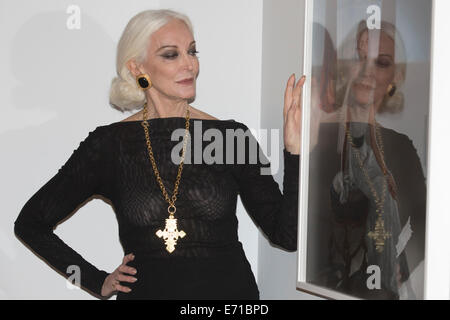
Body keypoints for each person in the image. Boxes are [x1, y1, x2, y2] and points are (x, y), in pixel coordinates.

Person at [14, 9, 305, 300]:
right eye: (171, 54)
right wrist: (95, 280)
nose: (189, 64)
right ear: (138, 68)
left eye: (192, 51)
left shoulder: (231, 137)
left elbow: (287, 235)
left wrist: (293, 152)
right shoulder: (109, 145)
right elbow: (31, 223)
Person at [307, 20, 426, 300]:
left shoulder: (401, 147)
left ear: (394, 78)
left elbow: (426, 218)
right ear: (344, 67)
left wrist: (401, 267)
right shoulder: (316, 138)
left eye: (381, 62)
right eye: (359, 58)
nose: (367, 71)